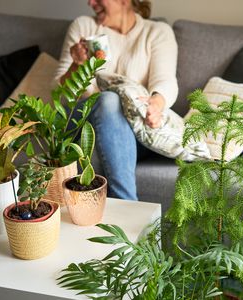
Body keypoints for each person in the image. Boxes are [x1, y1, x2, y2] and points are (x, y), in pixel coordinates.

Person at [54, 0, 178, 200]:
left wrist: (155, 105)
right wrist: (76, 66)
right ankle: (130, 208)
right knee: (109, 100)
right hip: (82, 121)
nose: (90, 3)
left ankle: (119, 218)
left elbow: (165, 82)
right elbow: (59, 96)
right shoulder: (84, 26)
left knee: (102, 149)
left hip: (131, 129)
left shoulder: (157, 32)